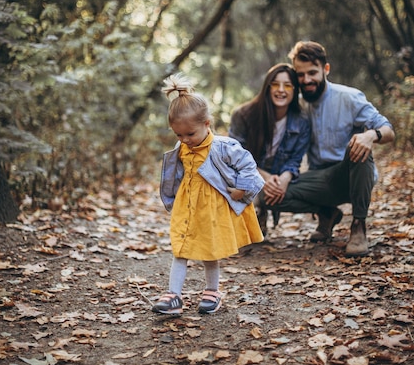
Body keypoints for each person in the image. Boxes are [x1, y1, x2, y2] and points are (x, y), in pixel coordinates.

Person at [269, 41, 395, 257]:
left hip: (351, 174)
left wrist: (370, 135)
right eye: (300, 75)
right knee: (269, 196)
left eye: (312, 73)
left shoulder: (349, 97)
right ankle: (326, 212)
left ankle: (358, 226)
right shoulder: (297, 105)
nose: (306, 80)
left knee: (359, 144)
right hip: (320, 178)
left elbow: (388, 131)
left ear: (325, 69)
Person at [154, 73, 264, 316]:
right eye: (179, 135)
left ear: (207, 124)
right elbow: (177, 173)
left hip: (211, 206)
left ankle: (212, 291)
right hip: (187, 204)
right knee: (180, 247)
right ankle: (174, 295)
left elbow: (248, 164)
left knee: (209, 248)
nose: (185, 140)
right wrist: (172, 197)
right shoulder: (181, 146)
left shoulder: (223, 147)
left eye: (190, 134)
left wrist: (243, 189)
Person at [229, 63, 311, 237]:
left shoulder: (302, 121)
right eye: (275, 84)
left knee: (308, 189)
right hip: (246, 175)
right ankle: (249, 215)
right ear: (267, 86)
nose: (281, 90)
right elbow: (234, 158)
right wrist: (264, 177)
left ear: (295, 90)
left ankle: (325, 215)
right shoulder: (243, 115)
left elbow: (295, 161)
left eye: (287, 85)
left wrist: (284, 178)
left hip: (278, 177)